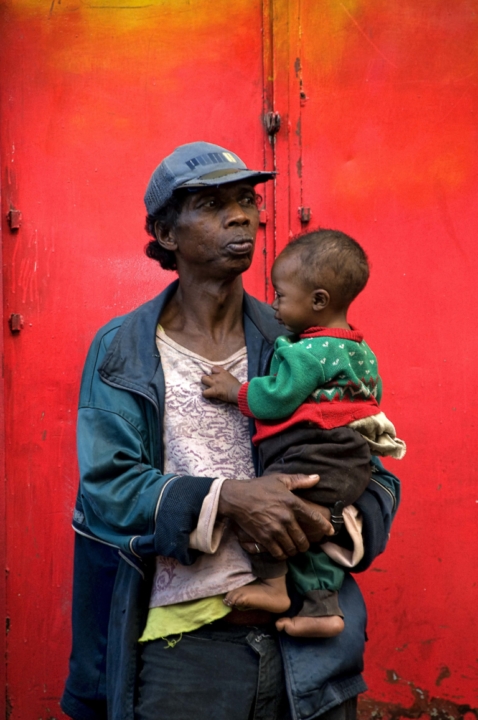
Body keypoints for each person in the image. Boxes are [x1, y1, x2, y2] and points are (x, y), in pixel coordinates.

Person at [61, 141, 400, 720]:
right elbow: (107, 491)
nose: (241, 216)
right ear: (165, 233)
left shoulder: (303, 343)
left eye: (246, 200)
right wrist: (230, 499)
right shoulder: (123, 350)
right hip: (183, 653)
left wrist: (330, 519)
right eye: (213, 204)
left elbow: (375, 471)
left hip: (308, 651)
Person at [201, 229, 406, 639]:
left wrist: (235, 391)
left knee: (265, 510)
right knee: (314, 537)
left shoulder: (307, 353)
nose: (274, 304)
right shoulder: (361, 351)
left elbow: (277, 398)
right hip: (350, 462)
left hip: (313, 456)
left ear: (318, 301)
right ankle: (322, 609)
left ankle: (273, 586)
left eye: (280, 295)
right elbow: (372, 399)